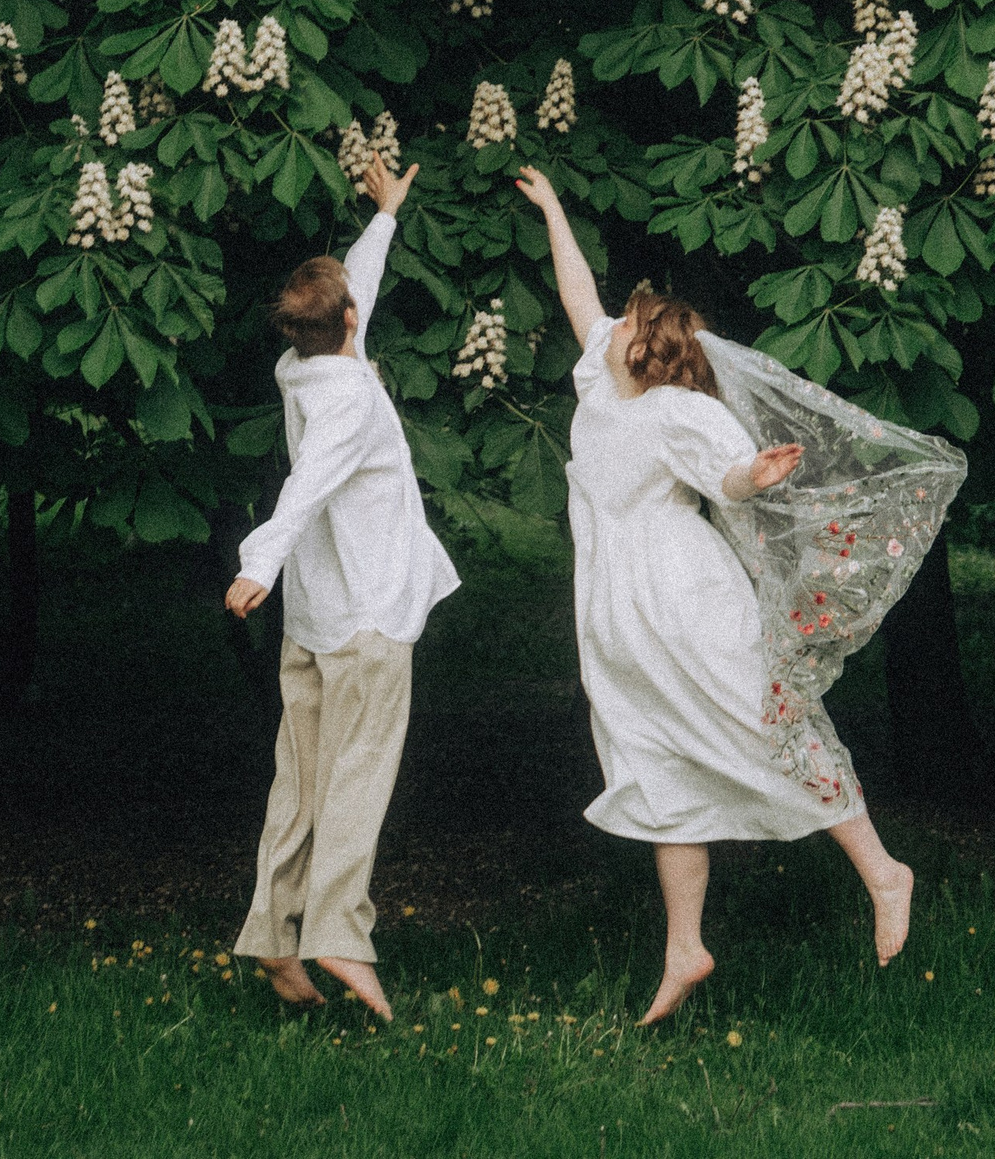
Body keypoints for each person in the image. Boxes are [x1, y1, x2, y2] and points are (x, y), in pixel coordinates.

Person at [511, 163, 935, 1025]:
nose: (614, 322)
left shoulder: (679, 411)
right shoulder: (601, 372)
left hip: (684, 597)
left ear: (649, 347)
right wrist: (555, 205)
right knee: (654, 760)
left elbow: (730, 479)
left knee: (766, 726)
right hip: (618, 608)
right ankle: (685, 948)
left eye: (630, 321)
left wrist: (754, 472)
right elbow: (577, 294)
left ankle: (885, 871)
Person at [225, 155, 457, 1021]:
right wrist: (259, 562)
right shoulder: (352, 396)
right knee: (356, 779)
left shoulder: (303, 369)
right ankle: (338, 934)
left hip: (318, 619)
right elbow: (307, 485)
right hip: (366, 615)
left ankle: (276, 944)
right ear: (352, 323)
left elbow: (353, 289)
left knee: (300, 783)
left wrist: (386, 214)